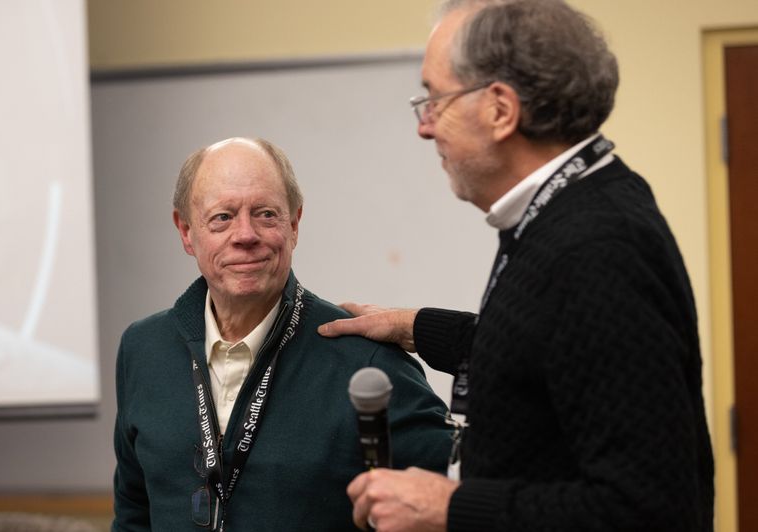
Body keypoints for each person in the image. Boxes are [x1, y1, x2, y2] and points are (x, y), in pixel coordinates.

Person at [317, 0, 715, 531]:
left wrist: (448, 508)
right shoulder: (573, 203)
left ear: (501, 110)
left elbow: (647, 510)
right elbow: (550, 355)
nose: (425, 128)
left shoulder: (597, 247)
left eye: (435, 100)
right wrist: (415, 328)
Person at [111, 137, 453, 531]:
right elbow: (134, 513)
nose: (245, 234)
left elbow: (447, 502)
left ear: (293, 225)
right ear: (186, 231)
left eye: (266, 214)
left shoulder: (367, 364)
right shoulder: (142, 349)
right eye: (222, 217)